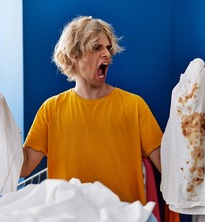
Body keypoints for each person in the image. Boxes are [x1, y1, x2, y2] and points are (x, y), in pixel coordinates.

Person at [20, 16, 163, 204]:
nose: (107, 55)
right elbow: (23, 167)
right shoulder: (52, 109)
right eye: (97, 47)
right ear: (74, 55)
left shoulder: (134, 106)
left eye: (108, 48)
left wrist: (196, 101)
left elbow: (166, 164)